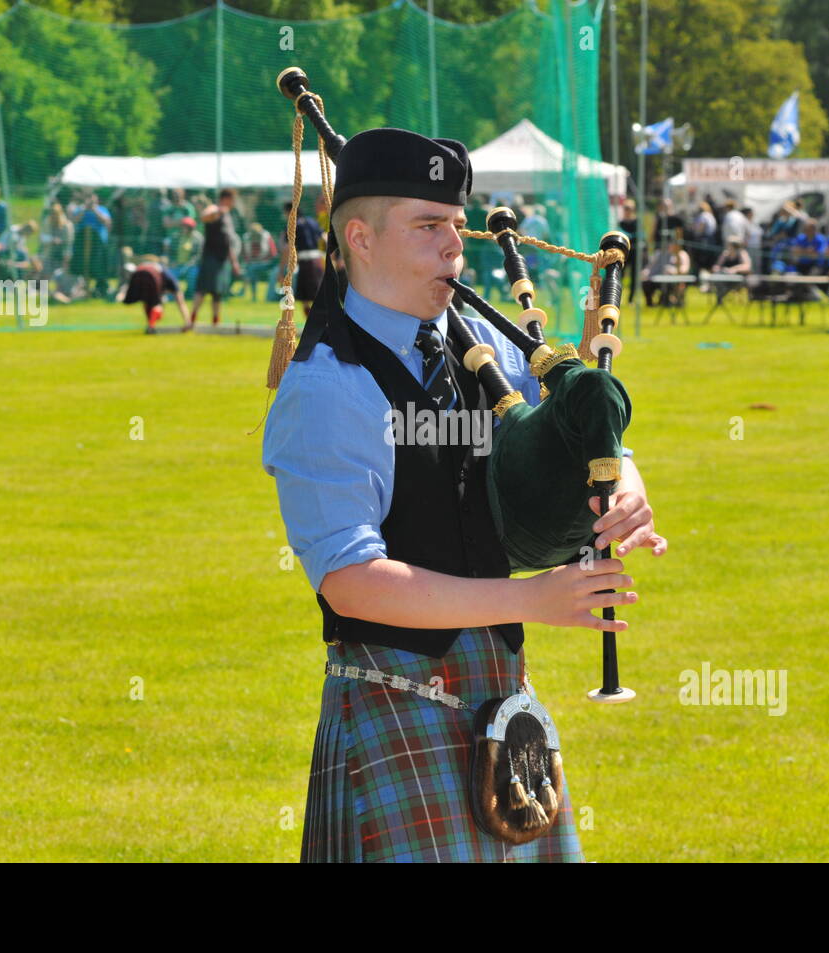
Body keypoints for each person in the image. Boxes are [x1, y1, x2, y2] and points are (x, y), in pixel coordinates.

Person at [261, 127, 665, 864]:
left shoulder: (482, 338)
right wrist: (532, 598)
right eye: (427, 227)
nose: (455, 245)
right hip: (393, 696)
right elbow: (352, 581)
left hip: (498, 692)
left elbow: (570, 427)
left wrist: (622, 478)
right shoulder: (326, 385)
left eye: (456, 224)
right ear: (360, 236)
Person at [190, 188, 242, 326]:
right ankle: (192, 318)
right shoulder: (215, 209)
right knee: (202, 289)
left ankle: (215, 322)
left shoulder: (228, 216)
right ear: (226, 199)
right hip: (210, 258)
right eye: (233, 200)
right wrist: (218, 211)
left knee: (217, 293)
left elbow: (228, 241)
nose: (234, 203)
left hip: (222, 259)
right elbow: (203, 216)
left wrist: (234, 262)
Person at [116, 255, 191, 331]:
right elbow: (180, 301)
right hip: (150, 276)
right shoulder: (165, 273)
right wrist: (187, 321)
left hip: (136, 275)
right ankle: (151, 326)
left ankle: (150, 324)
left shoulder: (144, 265)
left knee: (146, 301)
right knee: (156, 305)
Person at [283, 199, 324, 318]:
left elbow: (287, 248)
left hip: (306, 262)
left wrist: (282, 270)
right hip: (318, 260)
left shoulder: (293, 225)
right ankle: (318, 322)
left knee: (305, 297)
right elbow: (325, 238)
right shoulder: (312, 222)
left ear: (288, 212)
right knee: (318, 294)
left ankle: (314, 323)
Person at [641, 237, 691, 307]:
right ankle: (650, 303)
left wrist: (674, 271)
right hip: (658, 279)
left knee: (667, 286)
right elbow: (650, 267)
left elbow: (685, 268)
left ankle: (665, 301)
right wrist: (646, 272)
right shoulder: (660, 254)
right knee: (646, 283)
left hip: (674, 280)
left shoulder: (682, 254)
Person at [240, 221, 278, 301]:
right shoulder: (246, 238)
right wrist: (248, 260)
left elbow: (273, 253)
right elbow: (243, 254)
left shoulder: (266, 237)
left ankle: (244, 290)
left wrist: (261, 260)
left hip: (267, 264)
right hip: (251, 264)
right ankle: (251, 295)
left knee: (251, 269)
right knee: (251, 269)